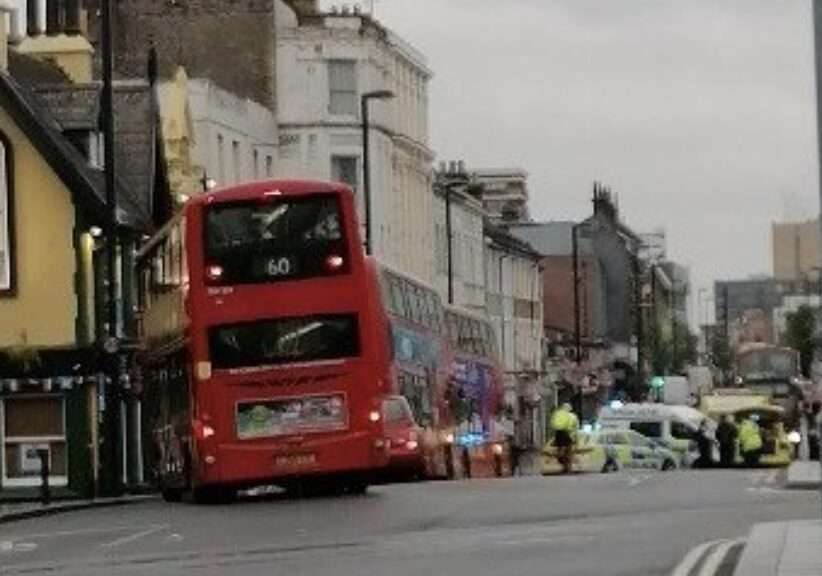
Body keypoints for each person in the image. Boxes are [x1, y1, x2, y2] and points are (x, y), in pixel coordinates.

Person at [551, 403, 579, 473]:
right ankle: (568, 468)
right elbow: (576, 427)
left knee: (560, 450)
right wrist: (575, 437)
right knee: (569, 452)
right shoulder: (572, 416)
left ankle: (562, 462)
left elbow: (552, 423)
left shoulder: (557, 414)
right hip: (568, 434)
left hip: (558, 433)